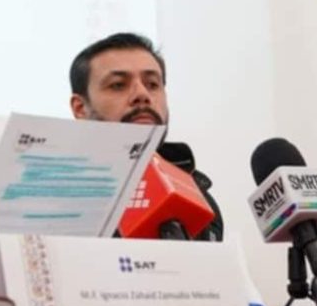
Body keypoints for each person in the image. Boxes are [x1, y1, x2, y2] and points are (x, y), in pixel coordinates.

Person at [68, 32, 223, 241]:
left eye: (152, 84)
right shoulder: (54, 197)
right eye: (118, 85)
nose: (142, 94)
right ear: (80, 108)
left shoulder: (196, 194)